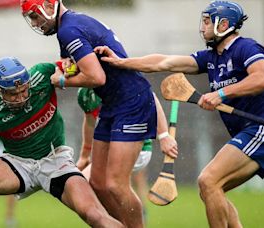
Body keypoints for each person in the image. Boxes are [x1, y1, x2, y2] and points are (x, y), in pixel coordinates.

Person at [94, 1, 264, 227]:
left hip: (263, 128)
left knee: (209, 181)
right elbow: (164, 62)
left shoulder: (246, 48)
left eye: (208, 21)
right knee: (213, 189)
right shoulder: (211, 58)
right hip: (249, 131)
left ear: (224, 24)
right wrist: (122, 62)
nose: (202, 27)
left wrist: (221, 94)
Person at [21, 1, 178, 227]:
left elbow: (97, 77)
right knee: (97, 182)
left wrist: (62, 81)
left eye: (35, 16)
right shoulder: (72, 23)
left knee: (115, 184)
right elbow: (89, 66)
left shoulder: (68, 29)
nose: (35, 23)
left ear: (48, 5)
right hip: (112, 104)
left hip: (131, 103)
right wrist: (65, 68)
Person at [0, 57, 123, 228]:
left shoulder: (42, 74)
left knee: (95, 216)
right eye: (12, 94)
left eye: (23, 91)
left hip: (56, 161)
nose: (20, 98)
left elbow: (80, 65)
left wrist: (68, 71)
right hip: (18, 163)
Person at [76, 88, 177, 222]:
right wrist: (85, 154)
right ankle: (121, 221)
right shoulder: (84, 93)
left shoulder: (115, 77)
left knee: (98, 183)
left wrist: (163, 135)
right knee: (101, 185)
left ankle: (129, 220)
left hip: (135, 146)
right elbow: (89, 121)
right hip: (110, 147)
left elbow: (150, 97)